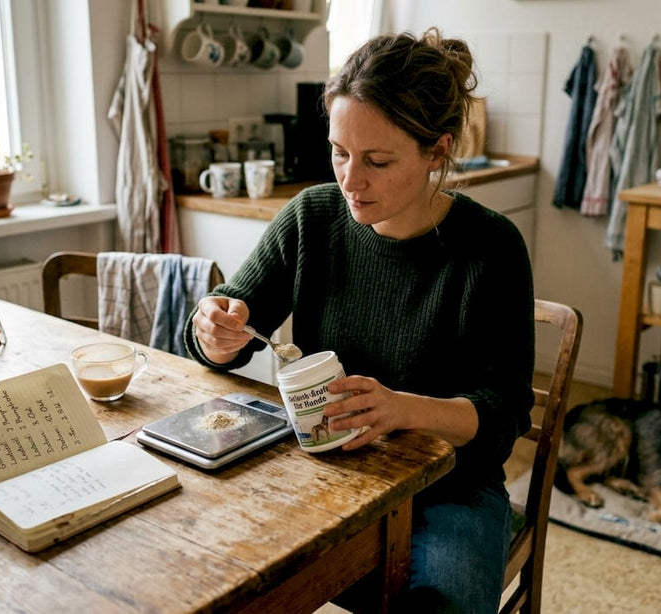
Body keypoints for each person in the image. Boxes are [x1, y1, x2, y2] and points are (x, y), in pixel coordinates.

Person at [183, 27, 535, 613]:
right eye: (339, 152)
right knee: (213, 568)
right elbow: (230, 320)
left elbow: (507, 412)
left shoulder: (489, 248)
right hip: (325, 470)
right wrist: (215, 330)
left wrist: (400, 408)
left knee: (437, 604)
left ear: (438, 151)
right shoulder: (312, 217)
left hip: (449, 490)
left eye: (377, 160)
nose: (350, 179)